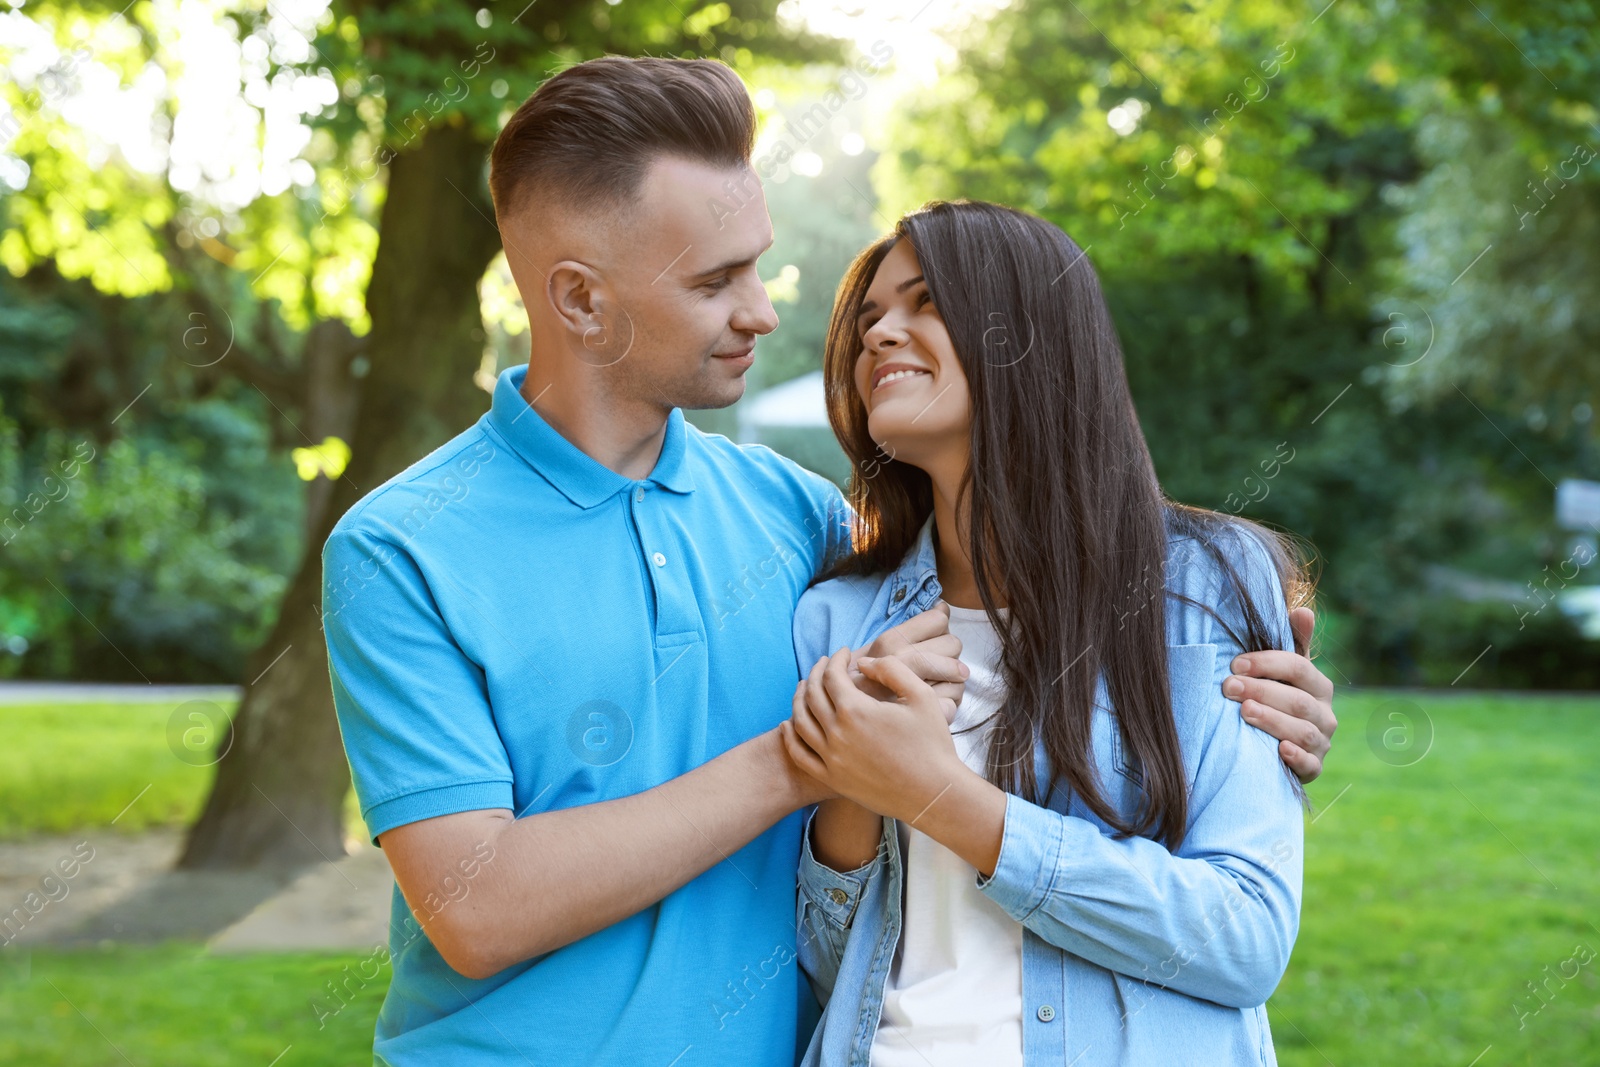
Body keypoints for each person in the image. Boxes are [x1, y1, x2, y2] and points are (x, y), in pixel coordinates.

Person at [320, 57, 1335, 1067]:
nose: (764, 311)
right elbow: (475, 907)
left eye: (757, 265)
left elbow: (1021, 597)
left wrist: (1249, 676)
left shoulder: (798, 521)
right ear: (580, 301)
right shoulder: (403, 546)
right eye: (717, 281)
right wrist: (811, 755)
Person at [783, 201, 1314, 1066]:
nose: (881, 334)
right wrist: (852, 783)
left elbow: (1244, 936)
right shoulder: (836, 619)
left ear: (1025, 332)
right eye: (872, 316)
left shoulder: (1205, 583)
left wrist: (940, 795)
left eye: (925, 302)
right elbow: (831, 967)